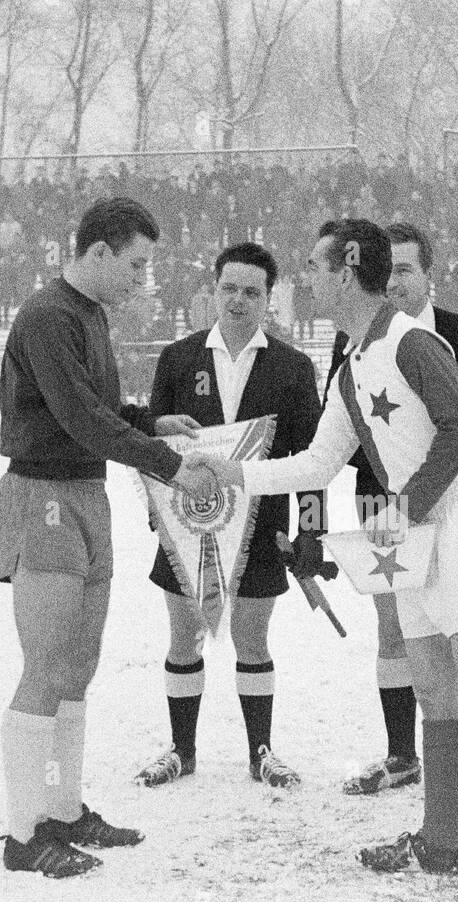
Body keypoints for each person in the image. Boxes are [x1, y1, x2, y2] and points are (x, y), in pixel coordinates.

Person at [189, 219, 458, 900]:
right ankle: (441, 841)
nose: (307, 278)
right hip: (409, 540)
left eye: (316, 265)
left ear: (349, 268)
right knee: (435, 691)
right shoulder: (351, 359)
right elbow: (319, 461)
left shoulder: (412, 341)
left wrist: (407, 505)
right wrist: (231, 473)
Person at [0, 196, 214, 879]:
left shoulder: (88, 315)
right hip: (46, 496)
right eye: (136, 264)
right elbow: (81, 419)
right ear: (97, 253)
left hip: (87, 492)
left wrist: (151, 422)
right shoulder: (46, 315)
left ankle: (61, 808)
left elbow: (98, 410)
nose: (142, 279)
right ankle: (24, 834)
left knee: (79, 665)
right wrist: (169, 465)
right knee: (47, 663)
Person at [328, 221, 458, 796]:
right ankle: (421, 798)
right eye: (386, 271)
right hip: (391, 515)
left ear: (430, 275)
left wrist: (431, 479)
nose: (393, 283)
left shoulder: (455, 338)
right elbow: (332, 444)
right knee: (418, 664)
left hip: (452, 510)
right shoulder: (355, 355)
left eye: (405, 270)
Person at [134, 243, 322, 790]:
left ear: (269, 298)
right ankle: (181, 750)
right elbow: (152, 444)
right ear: (211, 292)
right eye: (229, 289)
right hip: (187, 529)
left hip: (263, 531)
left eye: (251, 292)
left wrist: (310, 530)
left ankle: (261, 752)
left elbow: (311, 460)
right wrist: (159, 515)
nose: (238, 300)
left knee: (252, 640)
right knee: (184, 637)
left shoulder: (292, 367)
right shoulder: (178, 358)